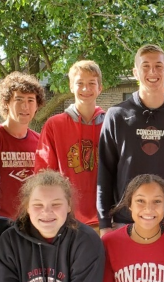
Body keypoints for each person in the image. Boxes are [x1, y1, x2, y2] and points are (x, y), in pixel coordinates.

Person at [97, 44, 164, 235]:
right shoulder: (117, 116)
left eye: (158, 66)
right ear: (135, 72)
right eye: (145, 66)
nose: (152, 71)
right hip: (123, 223)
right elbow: (105, 173)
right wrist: (104, 223)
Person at [35, 60, 105, 231]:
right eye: (79, 83)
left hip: (104, 219)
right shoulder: (55, 124)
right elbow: (43, 172)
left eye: (91, 83)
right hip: (66, 219)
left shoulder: (111, 123)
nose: (85, 89)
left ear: (100, 88)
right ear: (71, 87)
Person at [0, 71, 46, 219]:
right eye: (19, 100)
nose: (25, 106)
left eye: (31, 100)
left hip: (32, 222)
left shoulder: (40, 141)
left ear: (37, 105)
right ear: (6, 103)